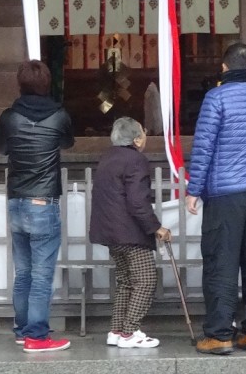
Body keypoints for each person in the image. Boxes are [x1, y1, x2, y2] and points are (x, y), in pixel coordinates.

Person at [186, 43, 246, 355]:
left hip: (225, 195)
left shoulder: (217, 97)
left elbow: (203, 148)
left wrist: (193, 190)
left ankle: (219, 335)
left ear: (224, 69)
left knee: (220, 263)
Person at [0, 60, 75, 353]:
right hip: (44, 199)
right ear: (48, 83)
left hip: (16, 199)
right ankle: (38, 337)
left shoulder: (9, 117)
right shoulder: (59, 115)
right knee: (42, 274)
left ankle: (22, 328)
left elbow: (1, 148)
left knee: (24, 271)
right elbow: (67, 144)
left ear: (20, 83)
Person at [89, 117, 172, 349]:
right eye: (144, 133)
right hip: (129, 232)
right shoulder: (135, 160)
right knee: (145, 280)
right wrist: (156, 227)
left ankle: (116, 331)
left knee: (126, 281)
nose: (145, 135)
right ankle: (129, 332)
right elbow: (138, 201)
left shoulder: (107, 158)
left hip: (109, 232)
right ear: (137, 139)